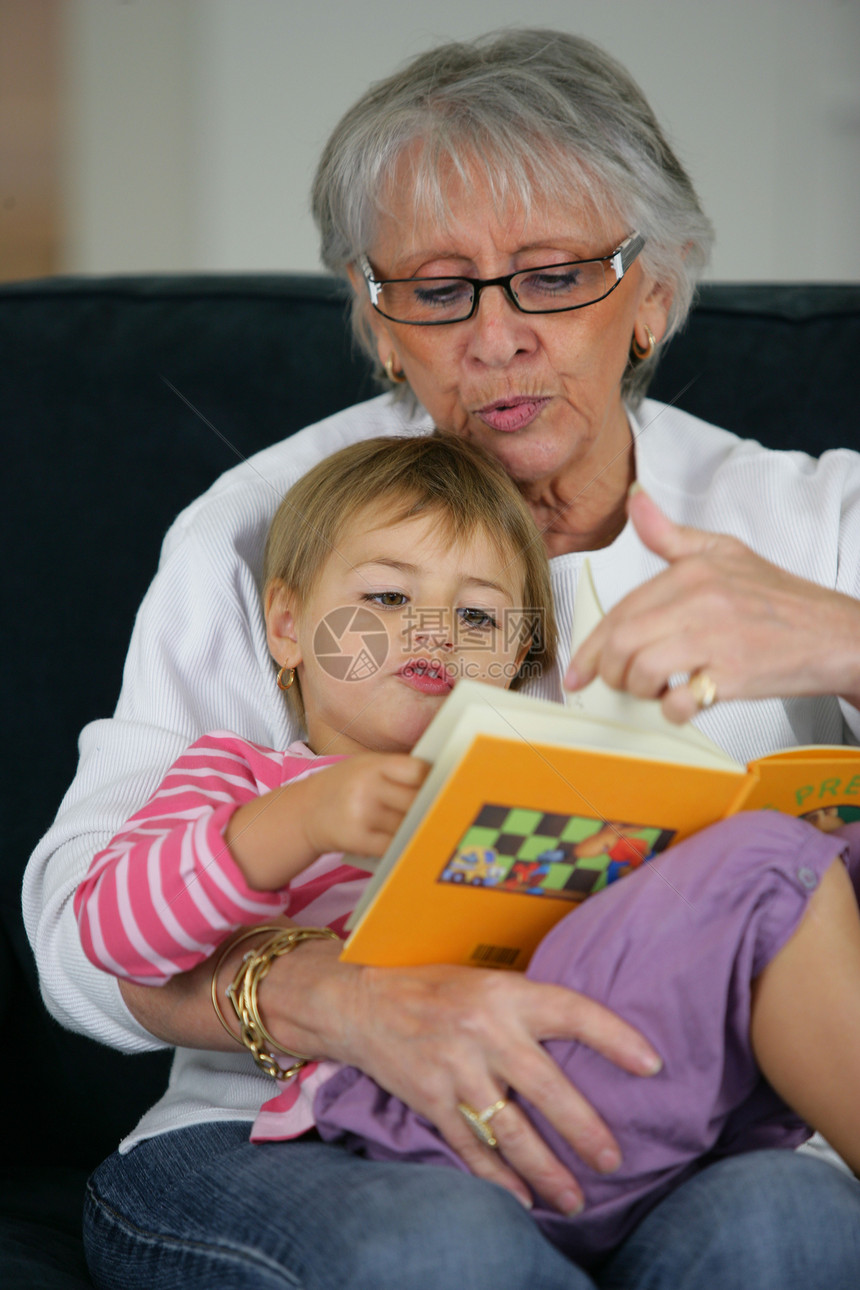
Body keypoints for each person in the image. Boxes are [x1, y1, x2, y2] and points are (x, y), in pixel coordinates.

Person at [23, 26, 860, 1290]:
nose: (495, 332)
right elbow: (79, 945)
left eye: (552, 274)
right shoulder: (262, 526)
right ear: (377, 318)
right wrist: (339, 1001)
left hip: (662, 1134)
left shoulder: (815, 519)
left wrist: (841, 638)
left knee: (790, 1227)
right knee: (441, 1243)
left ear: (653, 290)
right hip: (293, 1133)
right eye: (435, 285)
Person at [72, 435, 860, 1272]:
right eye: (384, 595)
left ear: (518, 660)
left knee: (777, 881)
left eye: (478, 614)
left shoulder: (530, 788)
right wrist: (300, 821)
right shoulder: (244, 778)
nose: (434, 630)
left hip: (561, 1109)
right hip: (344, 1125)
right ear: (288, 625)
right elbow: (112, 936)